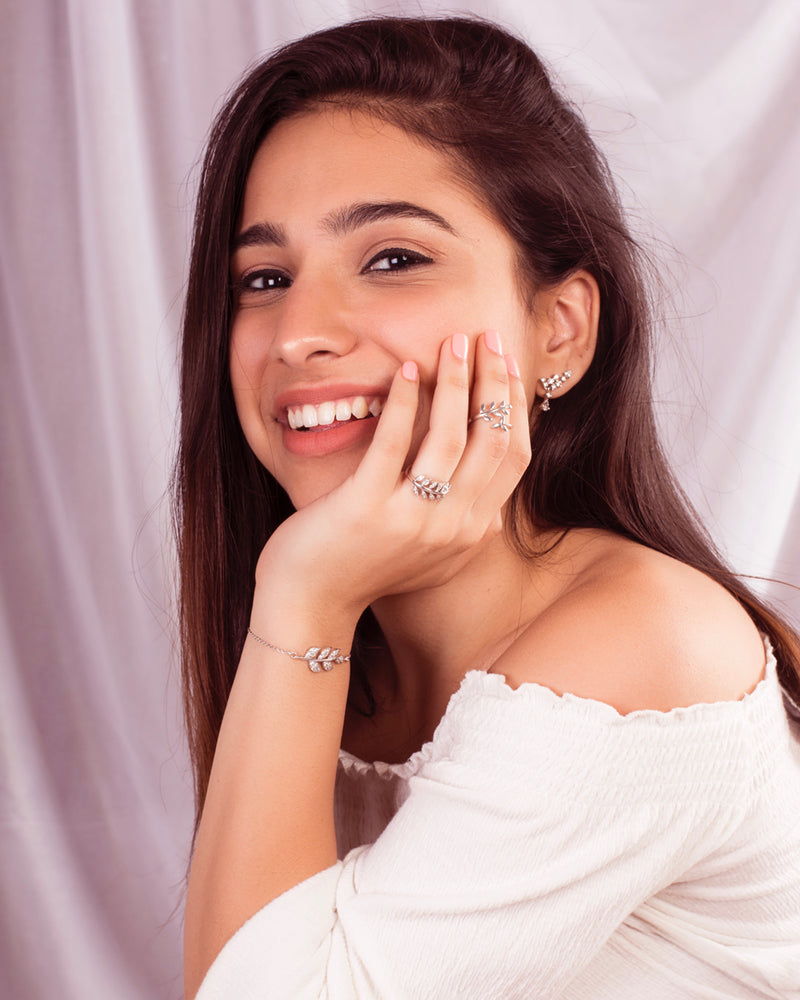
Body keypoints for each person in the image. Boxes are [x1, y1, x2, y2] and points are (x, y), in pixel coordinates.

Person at [173, 16, 800, 999]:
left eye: (391, 258)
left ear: (557, 331)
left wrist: (299, 594)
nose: (298, 333)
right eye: (263, 278)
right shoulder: (354, 659)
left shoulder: (640, 647)